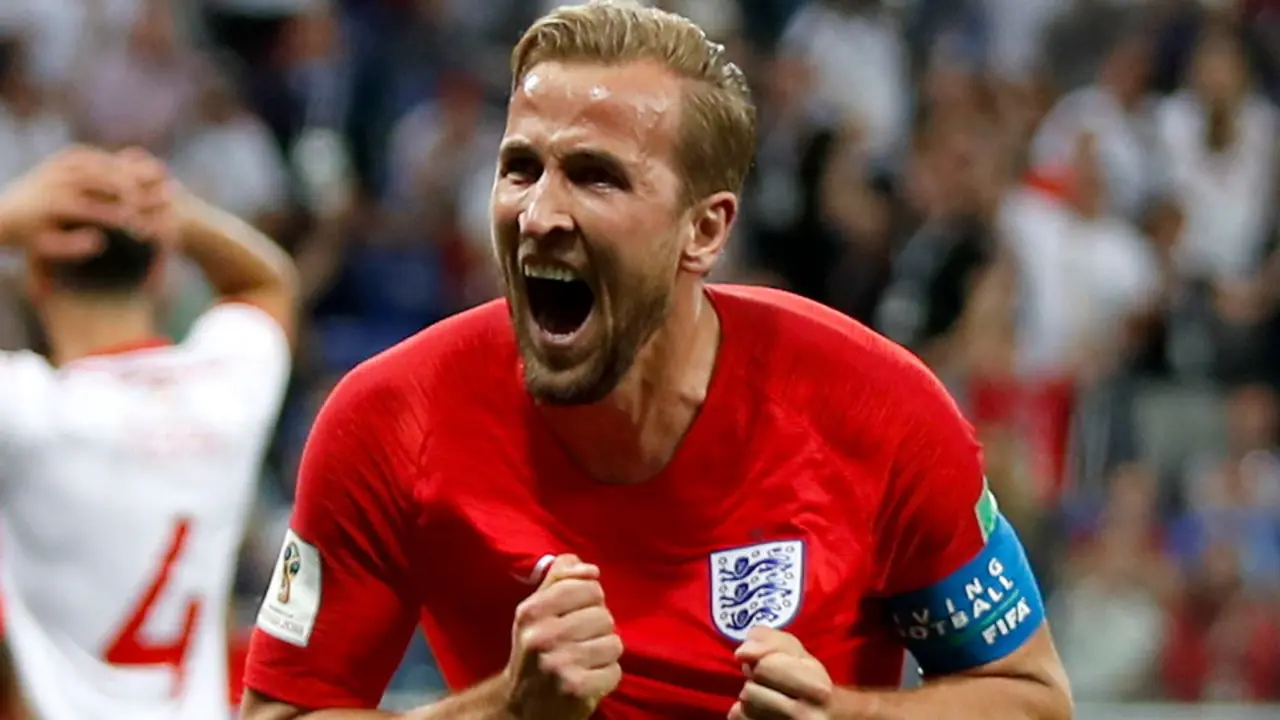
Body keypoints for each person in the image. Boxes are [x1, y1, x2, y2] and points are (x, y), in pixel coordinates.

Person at [242, 3, 1073, 719]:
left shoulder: (878, 410)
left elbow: (1029, 697)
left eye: (595, 177)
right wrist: (503, 710)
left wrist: (847, 716)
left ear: (704, 230)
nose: (538, 215)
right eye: (521, 167)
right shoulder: (389, 422)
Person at [0, 146, 297, 719]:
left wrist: (12, 214)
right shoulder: (224, 394)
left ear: (35, 276)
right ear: (162, 272)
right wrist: (177, 214)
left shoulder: (27, 409)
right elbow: (268, 282)